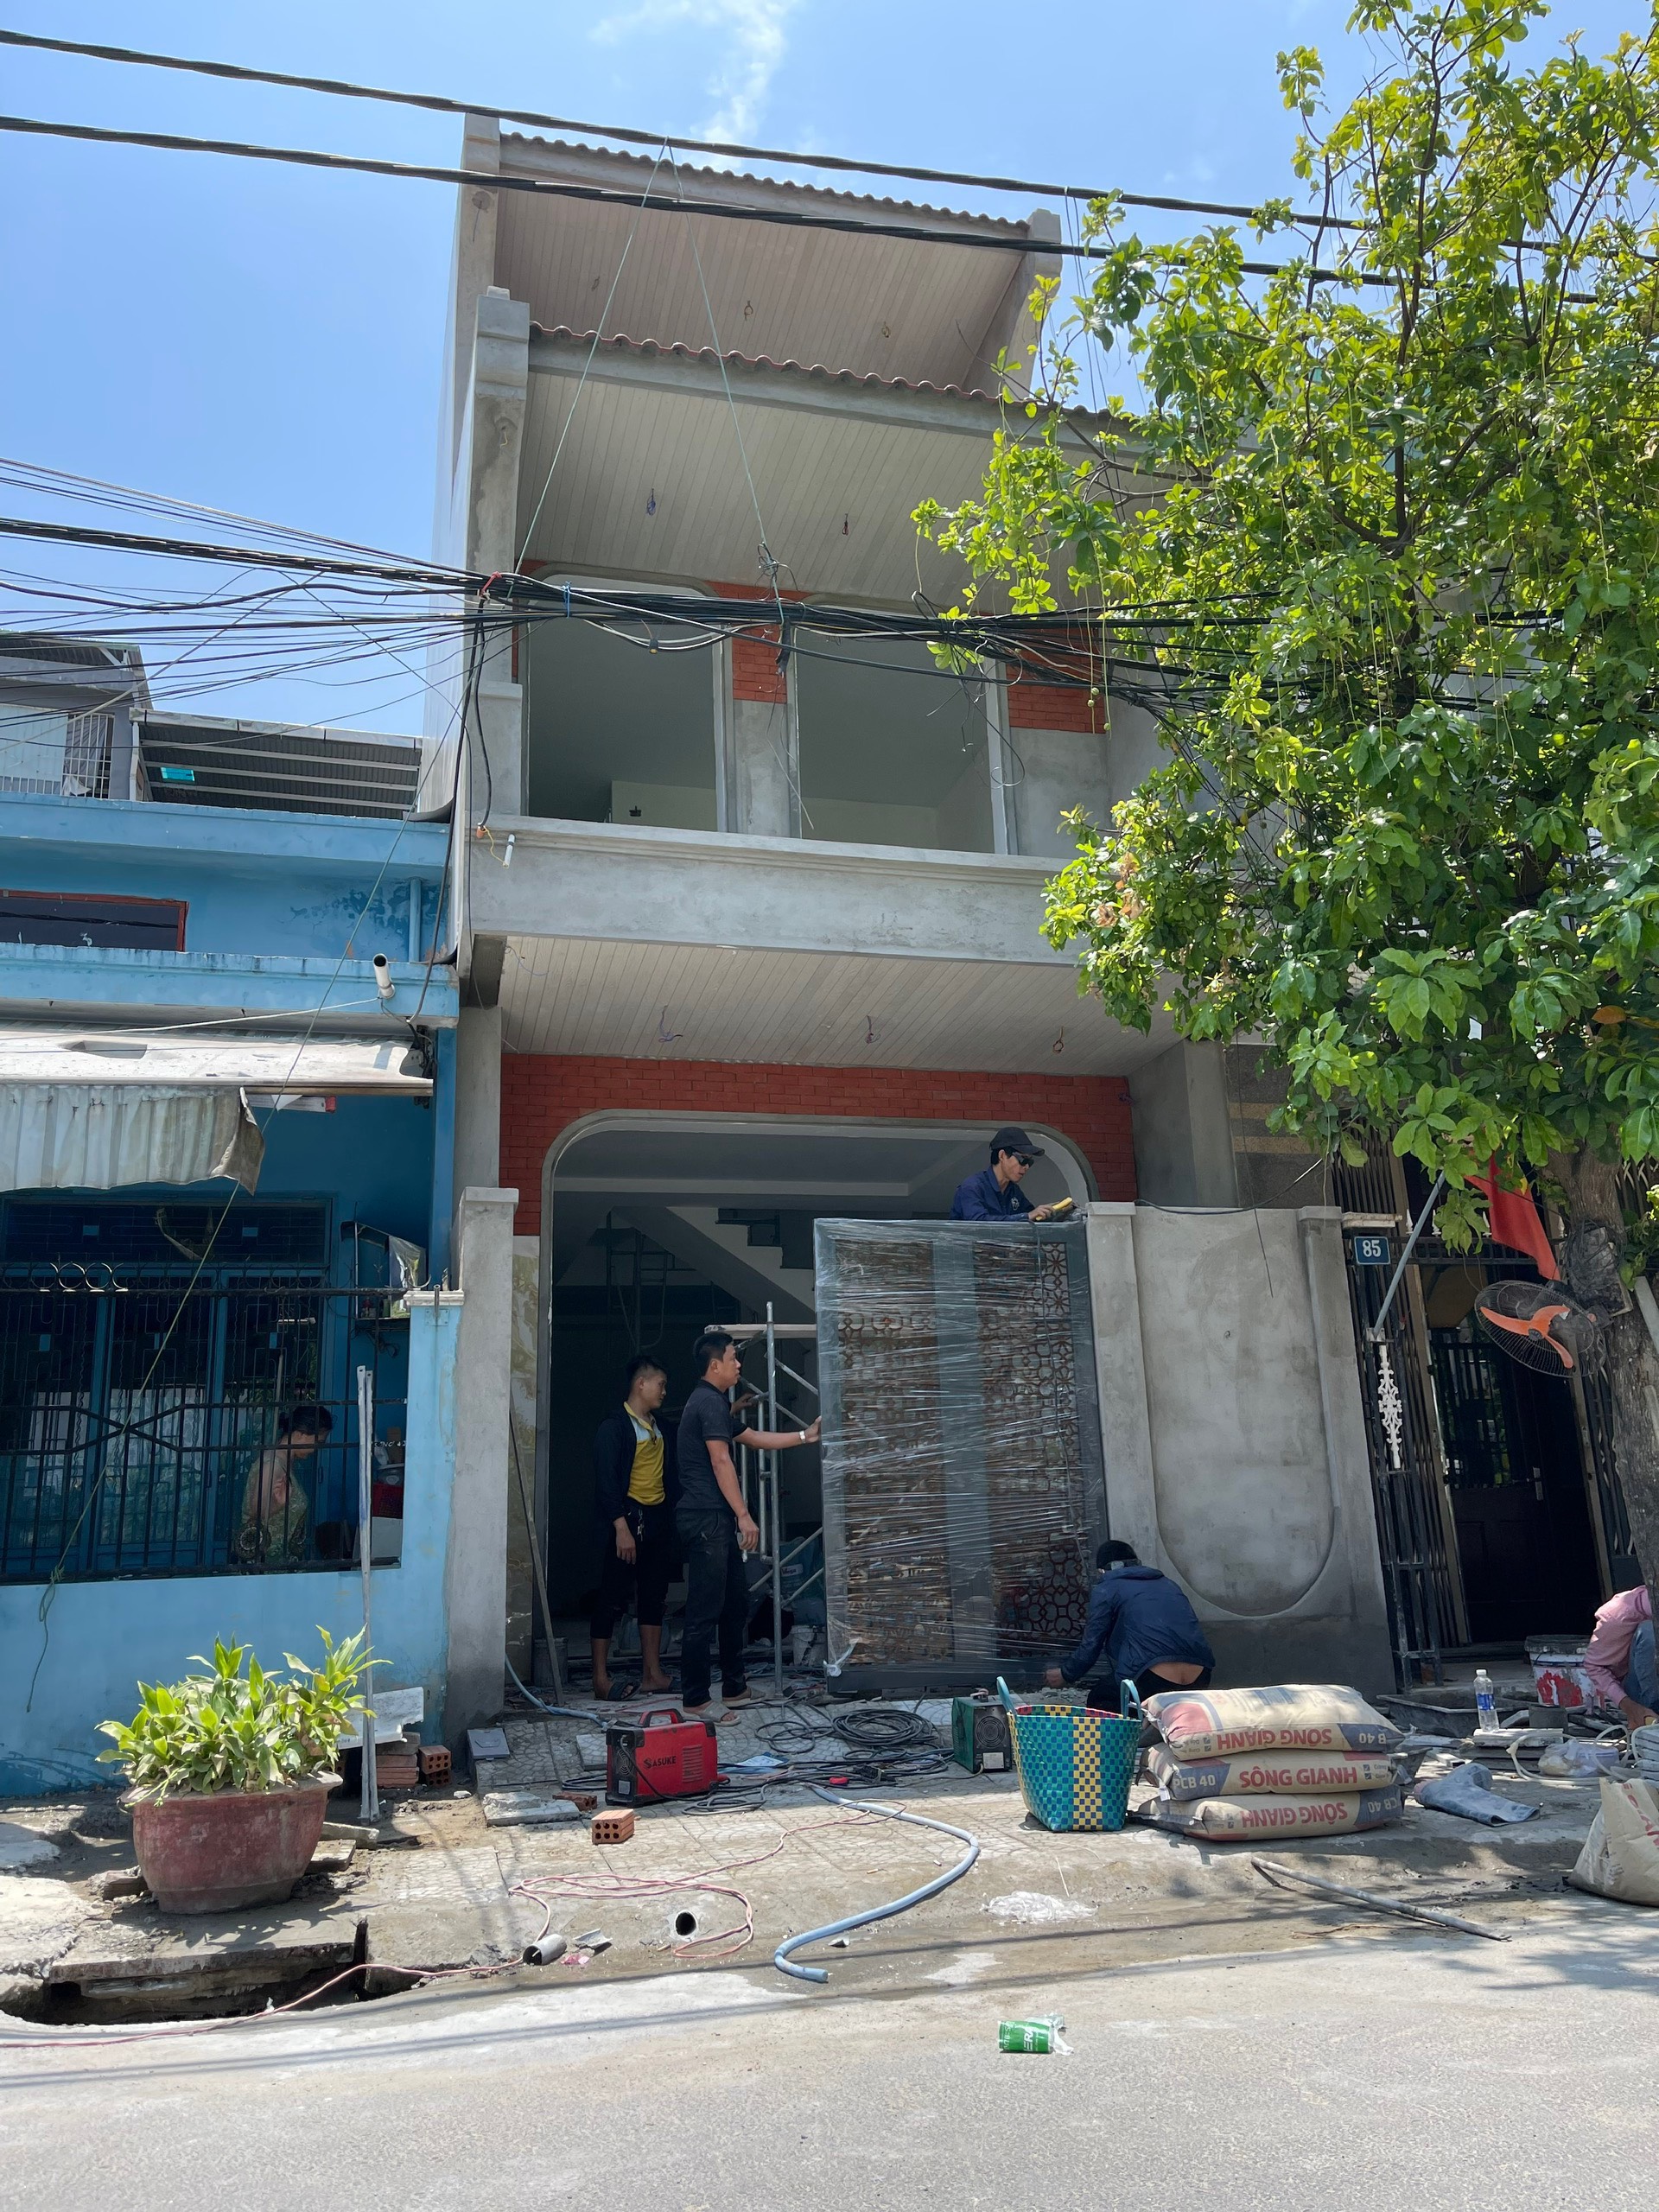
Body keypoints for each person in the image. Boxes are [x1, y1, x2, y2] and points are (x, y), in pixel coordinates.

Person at [676, 1330, 821, 1713]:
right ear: (715, 1366)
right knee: (704, 1611)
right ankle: (696, 1700)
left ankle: (735, 1688)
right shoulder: (708, 1402)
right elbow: (721, 1460)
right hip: (706, 1518)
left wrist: (806, 1435)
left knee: (734, 1604)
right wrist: (744, 1515)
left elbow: (754, 1437)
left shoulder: (713, 1403)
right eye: (732, 1358)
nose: (738, 1364)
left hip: (714, 1518)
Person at [589, 1355, 677, 1700]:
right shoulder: (614, 1427)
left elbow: (693, 1425)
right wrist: (620, 1528)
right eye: (661, 1384)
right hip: (625, 1521)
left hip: (656, 1521)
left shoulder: (659, 1426)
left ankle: (652, 1674)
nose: (664, 1392)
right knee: (611, 1598)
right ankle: (600, 1678)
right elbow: (606, 1482)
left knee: (654, 1597)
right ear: (642, 1384)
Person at [1045, 1541, 1216, 1707]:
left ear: (1102, 1570)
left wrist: (1066, 1673)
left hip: (1152, 1679)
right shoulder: (1169, 1584)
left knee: (1100, 1698)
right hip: (1200, 1677)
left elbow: (1092, 1644)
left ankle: (1140, 1726)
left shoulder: (1107, 1588)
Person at [238, 1403, 332, 1564]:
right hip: (266, 1564)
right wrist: (277, 1505)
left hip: (278, 1562)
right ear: (301, 1434)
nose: (317, 1449)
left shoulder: (286, 1463)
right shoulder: (273, 1465)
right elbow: (256, 1510)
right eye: (318, 1442)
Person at [1585, 1582, 1658, 1726]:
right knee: (1649, 1632)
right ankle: (1651, 1714)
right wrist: (1631, 1708)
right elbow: (1594, 1666)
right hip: (1640, 1691)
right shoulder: (1618, 1614)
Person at [950, 1126, 1059, 1222]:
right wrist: (1026, 1216)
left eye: (1030, 1162)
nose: (1026, 1166)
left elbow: (1033, 1216)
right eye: (1023, 1159)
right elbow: (978, 1223)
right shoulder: (972, 1187)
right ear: (1002, 1156)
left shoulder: (1013, 1191)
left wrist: (1054, 1212)